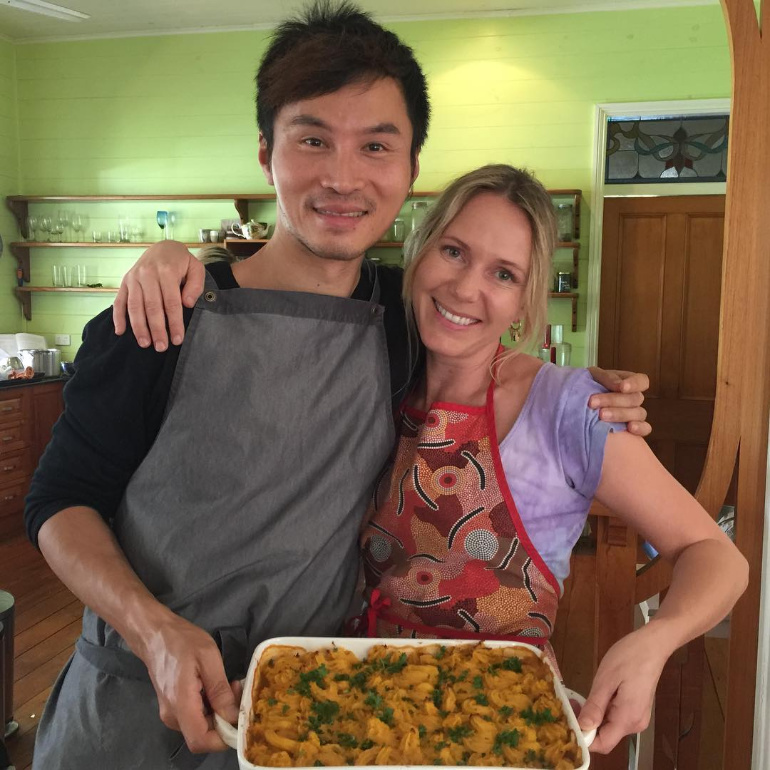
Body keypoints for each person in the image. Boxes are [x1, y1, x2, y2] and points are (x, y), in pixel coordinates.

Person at [26, 3, 650, 769]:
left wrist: (594, 392)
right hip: (132, 703)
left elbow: (492, 347)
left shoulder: (405, 317)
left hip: (312, 705)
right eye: (312, 138)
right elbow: (59, 501)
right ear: (266, 152)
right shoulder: (161, 316)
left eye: (375, 146)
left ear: (411, 168)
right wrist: (152, 628)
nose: (342, 176)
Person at [354, 164, 748, 754]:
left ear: (524, 301)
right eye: (454, 250)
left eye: (503, 273)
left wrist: (655, 641)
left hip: (499, 727)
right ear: (420, 248)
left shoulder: (568, 407)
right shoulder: (372, 374)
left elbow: (715, 555)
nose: (465, 289)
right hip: (362, 706)